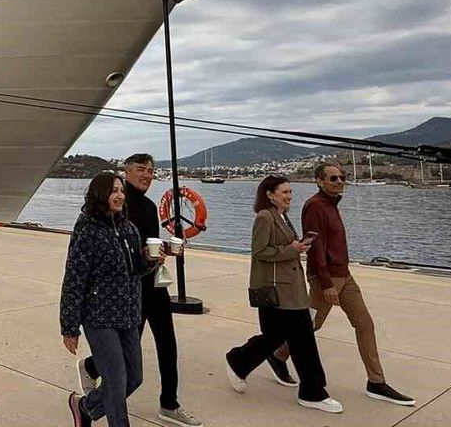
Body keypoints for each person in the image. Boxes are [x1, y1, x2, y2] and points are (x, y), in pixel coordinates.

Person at [269, 161, 416, 406]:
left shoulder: (331, 204)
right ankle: (274, 355)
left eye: (342, 177)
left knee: (364, 324)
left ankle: (376, 382)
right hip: (326, 278)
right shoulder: (315, 206)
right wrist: (326, 284)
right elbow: (316, 248)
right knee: (308, 326)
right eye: (333, 178)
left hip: (344, 275)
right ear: (319, 181)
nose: (340, 181)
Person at [78, 155, 202, 426]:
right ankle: (92, 371)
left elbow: (144, 247)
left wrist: (163, 250)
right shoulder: (115, 208)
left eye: (151, 170)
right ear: (127, 171)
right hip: (129, 292)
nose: (147, 175)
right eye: (140, 169)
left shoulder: (147, 205)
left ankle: (169, 403)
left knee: (167, 343)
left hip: (153, 285)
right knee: (125, 362)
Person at [225, 174, 342, 414]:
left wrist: (298, 246)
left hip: (290, 288)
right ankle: (313, 392)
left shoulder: (282, 216)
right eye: (285, 192)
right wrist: (292, 249)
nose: (289, 196)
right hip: (278, 290)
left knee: (275, 336)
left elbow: (280, 248)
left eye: (290, 192)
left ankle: (239, 361)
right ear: (270, 195)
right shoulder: (264, 217)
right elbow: (260, 252)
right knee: (302, 339)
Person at [61, 173, 162, 427]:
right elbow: (74, 279)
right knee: (116, 383)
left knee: (134, 378)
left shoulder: (129, 229)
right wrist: (69, 327)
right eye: (113, 191)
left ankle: (84, 407)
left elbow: (135, 270)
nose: (120, 196)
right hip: (99, 316)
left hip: (127, 314)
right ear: (100, 195)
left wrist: (150, 260)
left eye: (121, 191)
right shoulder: (88, 231)